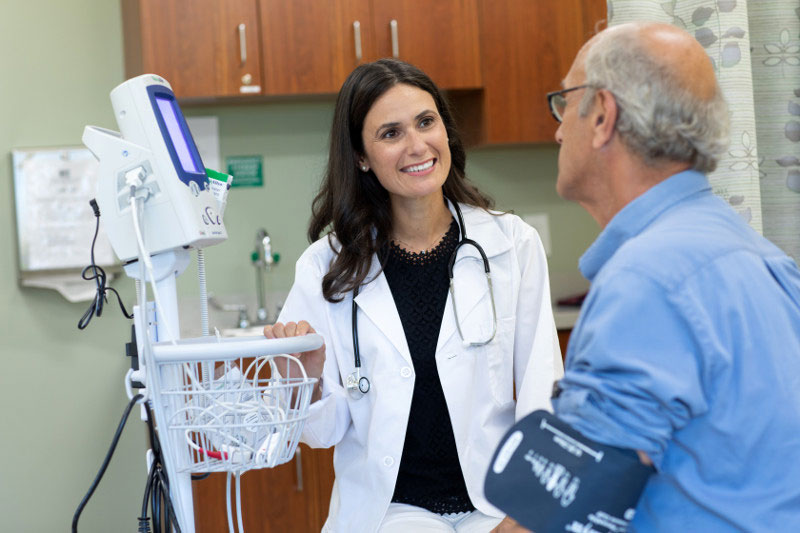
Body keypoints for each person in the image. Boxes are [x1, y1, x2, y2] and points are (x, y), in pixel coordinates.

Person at [264, 58, 562, 532]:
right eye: (390, 133)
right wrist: (309, 383)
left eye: (427, 122)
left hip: (496, 502)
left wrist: (525, 511)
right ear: (361, 156)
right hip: (390, 512)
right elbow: (322, 434)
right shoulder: (326, 267)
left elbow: (541, 394)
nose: (417, 145)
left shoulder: (512, 245)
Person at [548, 21, 800, 530]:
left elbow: (570, 502)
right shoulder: (766, 261)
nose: (556, 128)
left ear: (602, 115)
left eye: (564, 102)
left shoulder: (646, 282)